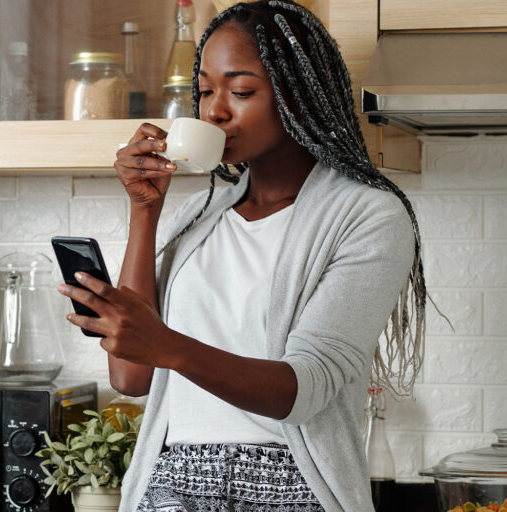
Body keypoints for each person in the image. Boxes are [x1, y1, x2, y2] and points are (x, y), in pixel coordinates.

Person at [55, 1, 428, 511]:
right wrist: (145, 213)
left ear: (297, 97)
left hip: (294, 485)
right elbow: (130, 377)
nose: (215, 111)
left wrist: (166, 344)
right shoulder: (198, 216)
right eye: (206, 91)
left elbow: (305, 390)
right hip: (172, 480)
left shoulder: (368, 217)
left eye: (242, 90)